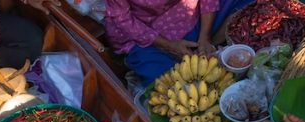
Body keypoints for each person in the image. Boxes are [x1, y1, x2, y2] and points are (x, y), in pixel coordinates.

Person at [104, 0, 255, 86]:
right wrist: (168, 46)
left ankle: (208, 47)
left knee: (248, 5)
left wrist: (205, 37)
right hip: (149, 30)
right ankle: (199, 54)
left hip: (193, 11)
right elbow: (122, 18)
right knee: (166, 83)